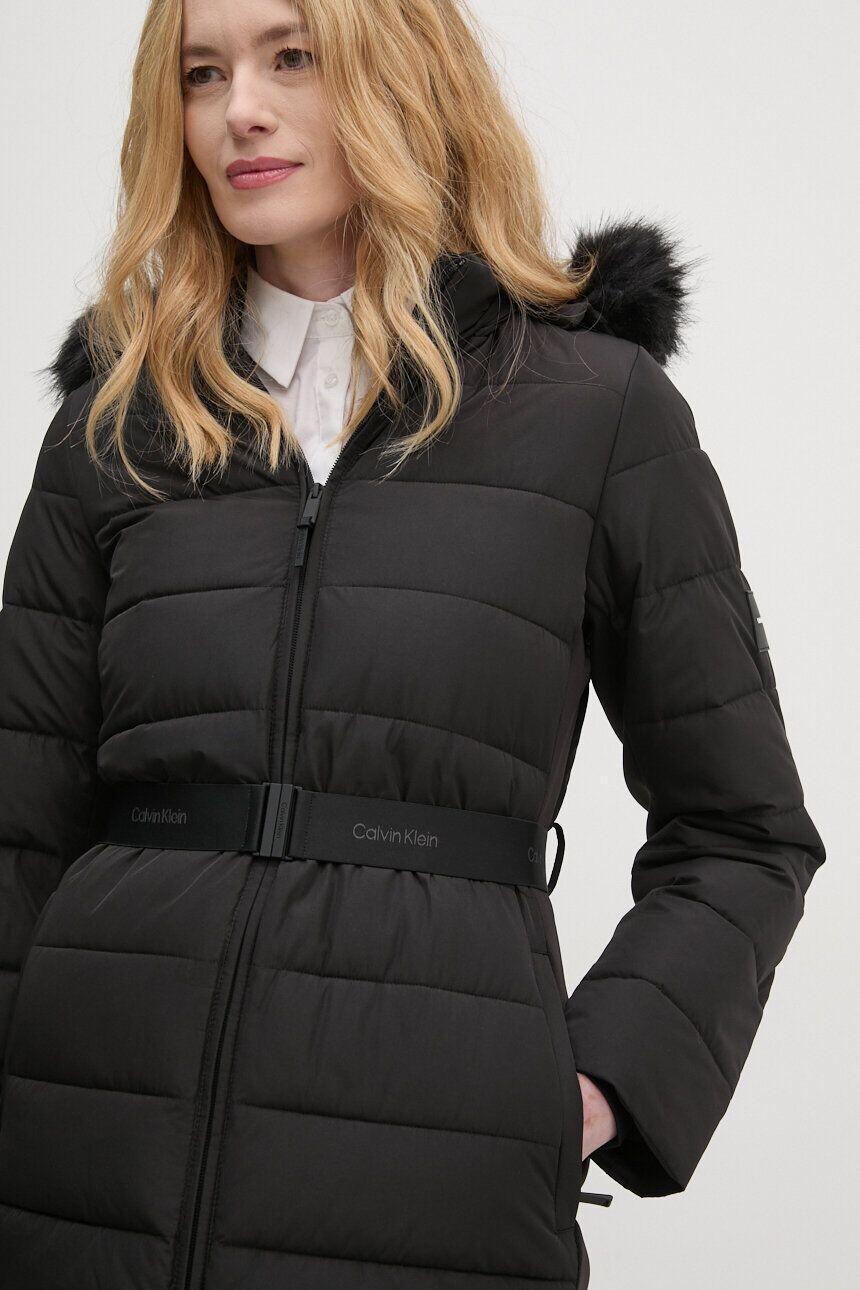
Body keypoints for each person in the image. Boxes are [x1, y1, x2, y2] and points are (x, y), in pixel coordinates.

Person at [0, 1, 825, 1287]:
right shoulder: (119, 423)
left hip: (436, 1182)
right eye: (202, 74)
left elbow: (742, 831)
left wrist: (595, 1086)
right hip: (84, 1174)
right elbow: (19, 823)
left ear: (405, 77)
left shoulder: (593, 412)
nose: (239, 112)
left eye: (292, 57)